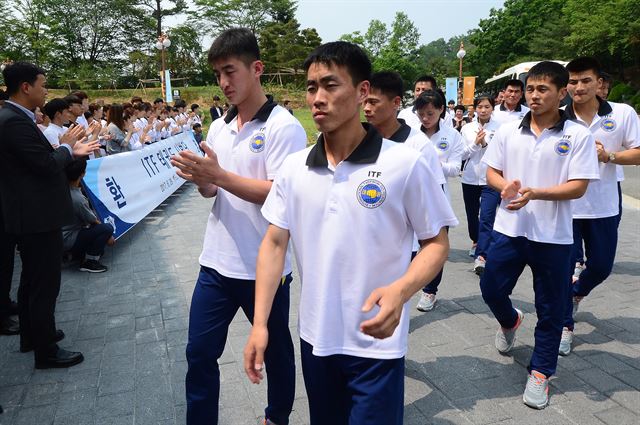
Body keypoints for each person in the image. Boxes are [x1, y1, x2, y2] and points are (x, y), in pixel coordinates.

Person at [242, 41, 457, 425]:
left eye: (330, 85)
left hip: (377, 343)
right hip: (316, 337)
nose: (318, 98)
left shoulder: (405, 163)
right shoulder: (294, 169)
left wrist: (401, 290)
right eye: (311, 88)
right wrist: (260, 325)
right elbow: (274, 243)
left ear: (362, 92)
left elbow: (436, 243)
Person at [170, 28, 306, 425]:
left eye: (230, 71)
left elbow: (281, 197)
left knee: (276, 351)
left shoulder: (284, 128)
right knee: (198, 352)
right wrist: (202, 180)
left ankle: (276, 416)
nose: (223, 83)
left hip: (264, 267)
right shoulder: (219, 126)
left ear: (257, 68)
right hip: (215, 263)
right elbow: (213, 191)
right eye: (217, 74)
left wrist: (220, 176)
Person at [479, 61, 600, 409]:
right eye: (530, 88)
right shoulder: (507, 130)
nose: (534, 95)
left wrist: (535, 193)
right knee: (490, 288)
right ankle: (510, 320)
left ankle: (541, 372)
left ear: (561, 93)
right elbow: (492, 172)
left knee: (552, 308)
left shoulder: (577, 135)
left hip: (554, 236)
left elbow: (578, 187)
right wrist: (507, 188)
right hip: (509, 229)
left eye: (542, 89)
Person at [0, 62, 99, 368]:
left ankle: (33, 335)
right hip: (36, 216)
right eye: (42, 84)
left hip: (32, 215)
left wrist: (70, 149)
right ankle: (46, 350)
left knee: (32, 280)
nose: (46, 90)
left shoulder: (16, 117)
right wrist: (67, 148)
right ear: (26, 87)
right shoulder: (13, 120)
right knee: (44, 284)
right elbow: (44, 166)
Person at [560, 57, 640, 356]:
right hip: (565, 206)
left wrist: (609, 157)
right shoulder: (557, 116)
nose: (578, 87)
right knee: (563, 269)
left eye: (585, 81)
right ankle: (564, 326)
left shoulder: (622, 113)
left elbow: (638, 152)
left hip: (604, 205)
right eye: (572, 81)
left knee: (602, 266)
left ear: (599, 83)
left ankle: (576, 293)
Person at [414, 89, 463, 312]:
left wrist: (432, 162)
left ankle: (430, 290)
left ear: (442, 110)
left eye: (430, 114)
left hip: (437, 191)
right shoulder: (411, 134)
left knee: (435, 244)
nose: (425, 118)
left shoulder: (452, 136)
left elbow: (455, 168)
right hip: (411, 191)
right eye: (421, 114)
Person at [459, 96, 501, 270]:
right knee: (471, 216)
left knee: (487, 216)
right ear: (475, 109)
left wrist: (485, 144)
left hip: (490, 179)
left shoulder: (500, 128)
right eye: (480, 107)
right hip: (469, 178)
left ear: (493, 108)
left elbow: (501, 153)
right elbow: (461, 154)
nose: (483, 110)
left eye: (487, 107)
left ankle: (482, 255)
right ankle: (476, 241)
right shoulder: (467, 128)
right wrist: (476, 145)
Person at [62, 159, 115, 273]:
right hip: (67, 239)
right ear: (82, 174)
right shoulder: (77, 199)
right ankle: (89, 261)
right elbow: (92, 220)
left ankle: (73, 255)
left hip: (58, 236)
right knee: (106, 229)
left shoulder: (61, 188)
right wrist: (109, 235)